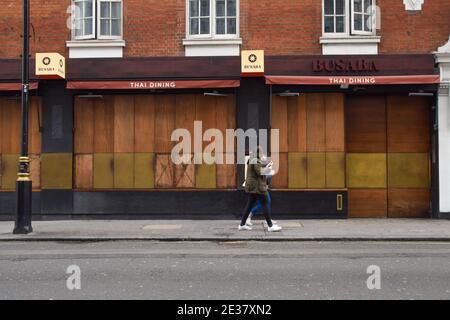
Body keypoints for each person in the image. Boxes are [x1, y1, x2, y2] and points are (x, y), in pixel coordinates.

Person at [239, 146, 282, 232]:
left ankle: (242, 224)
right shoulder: (255, 160)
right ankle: (270, 226)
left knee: (249, 205)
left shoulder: (254, 160)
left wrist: (267, 165)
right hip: (257, 187)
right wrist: (269, 169)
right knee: (265, 203)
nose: (262, 154)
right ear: (258, 153)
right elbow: (260, 171)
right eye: (261, 153)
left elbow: (259, 168)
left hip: (254, 187)